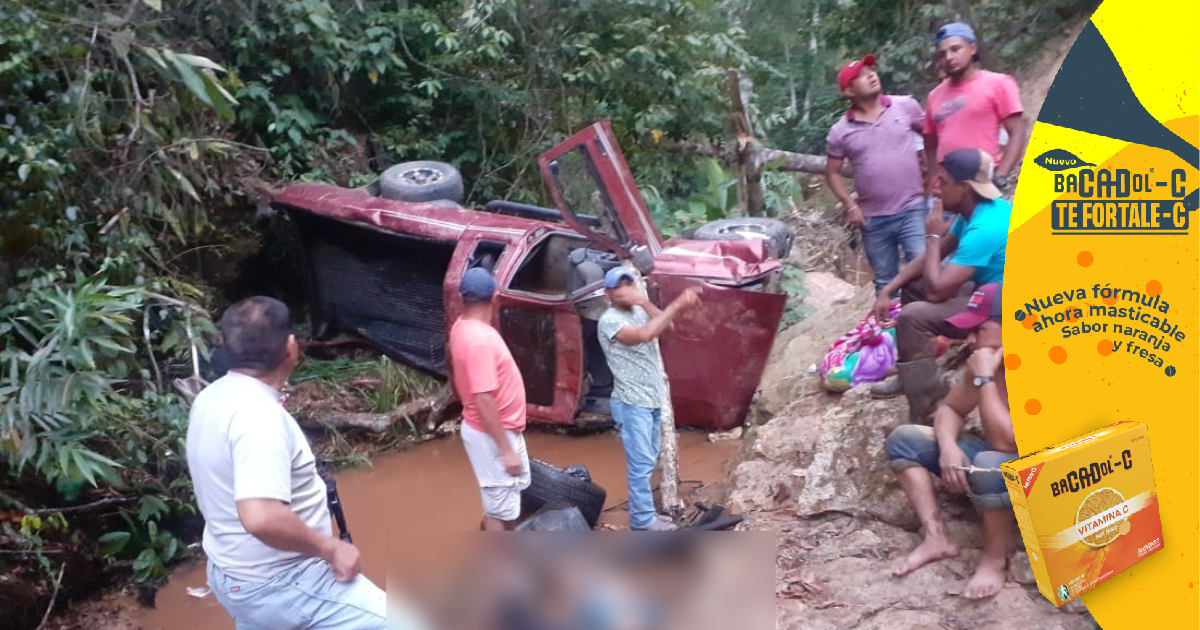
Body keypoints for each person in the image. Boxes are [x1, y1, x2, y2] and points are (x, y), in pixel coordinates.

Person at [187, 296, 386, 630]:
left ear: (224, 346)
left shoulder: (211, 397)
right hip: (286, 583)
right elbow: (261, 517)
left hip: (233, 575)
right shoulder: (258, 417)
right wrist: (331, 549)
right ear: (291, 348)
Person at [885, 282, 1016, 600]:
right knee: (904, 439)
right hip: (1003, 466)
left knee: (989, 464)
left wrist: (985, 377)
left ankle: (995, 558)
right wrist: (948, 446)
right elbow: (950, 409)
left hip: (1051, 480)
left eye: (979, 330)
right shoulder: (981, 362)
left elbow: (1006, 444)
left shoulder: (1045, 363)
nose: (969, 340)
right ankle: (936, 538)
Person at [869, 148, 1010, 426]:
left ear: (965, 188)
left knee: (913, 318)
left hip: (1003, 311)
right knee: (913, 283)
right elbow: (930, 263)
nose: (936, 190)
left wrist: (932, 235)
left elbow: (937, 291)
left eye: (943, 182)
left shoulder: (985, 227)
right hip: (988, 293)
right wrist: (890, 288)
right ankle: (912, 375)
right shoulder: (974, 211)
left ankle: (929, 410)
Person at [597, 267, 701, 531]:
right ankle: (642, 522)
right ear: (608, 293)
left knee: (647, 460)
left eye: (627, 285)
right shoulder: (609, 319)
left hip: (650, 399)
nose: (623, 290)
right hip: (632, 402)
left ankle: (646, 516)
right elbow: (642, 335)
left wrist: (644, 301)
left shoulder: (638, 311)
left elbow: (669, 326)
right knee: (641, 464)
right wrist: (678, 303)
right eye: (617, 287)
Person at [825, 54, 930, 293]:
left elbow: (931, 137)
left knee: (923, 268)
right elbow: (832, 173)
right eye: (860, 76)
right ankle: (892, 328)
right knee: (885, 283)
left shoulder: (905, 106)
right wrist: (850, 206)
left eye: (871, 71)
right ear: (849, 92)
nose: (871, 75)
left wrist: (933, 174)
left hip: (913, 207)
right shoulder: (840, 131)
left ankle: (926, 325)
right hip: (872, 218)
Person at [449, 267, 532, 531]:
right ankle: (499, 570)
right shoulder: (479, 340)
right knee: (501, 511)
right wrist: (506, 450)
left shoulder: (461, 326)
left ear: (463, 297)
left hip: (499, 429)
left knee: (504, 502)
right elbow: (483, 398)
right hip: (492, 434)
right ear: (495, 296)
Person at [923, 22, 1026, 195]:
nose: (948, 57)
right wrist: (934, 180)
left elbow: (1018, 132)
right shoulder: (934, 96)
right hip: (948, 193)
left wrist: (1001, 176)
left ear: (972, 48)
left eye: (955, 49)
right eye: (942, 54)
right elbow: (930, 144)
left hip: (985, 186)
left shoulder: (998, 83)